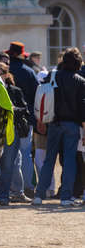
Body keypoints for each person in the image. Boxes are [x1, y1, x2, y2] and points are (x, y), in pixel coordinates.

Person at [32, 47, 85, 206]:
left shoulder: (52, 76)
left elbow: (43, 97)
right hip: (72, 125)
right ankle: (66, 197)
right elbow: (83, 108)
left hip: (53, 123)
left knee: (49, 160)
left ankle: (39, 195)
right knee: (69, 160)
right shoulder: (80, 81)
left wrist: (41, 120)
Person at [0, 62, 31, 205]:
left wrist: (12, 109)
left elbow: (26, 110)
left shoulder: (14, 90)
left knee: (8, 165)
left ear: (5, 74)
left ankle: (3, 196)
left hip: (11, 130)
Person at [6, 41, 38, 198]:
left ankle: (13, 188)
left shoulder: (5, 71)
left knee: (10, 155)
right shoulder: (29, 71)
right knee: (26, 154)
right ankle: (28, 186)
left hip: (8, 117)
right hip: (26, 117)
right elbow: (36, 94)